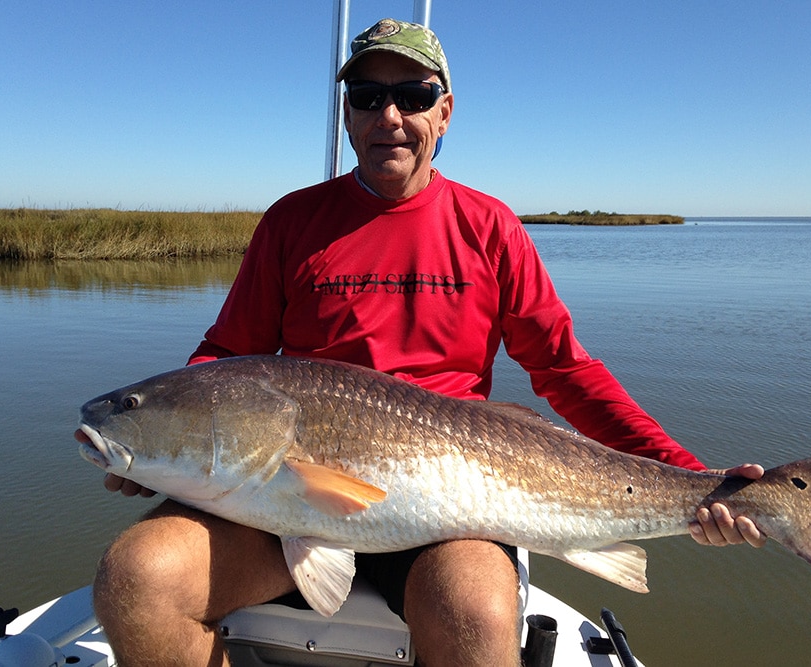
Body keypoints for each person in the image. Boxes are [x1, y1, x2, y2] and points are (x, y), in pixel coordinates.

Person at [92, 18, 766, 667]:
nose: (390, 116)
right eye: (368, 97)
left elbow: (565, 370)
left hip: (451, 510)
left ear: (445, 113)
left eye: (413, 97)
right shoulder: (292, 222)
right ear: (347, 114)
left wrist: (697, 476)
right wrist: (154, 440)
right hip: (273, 499)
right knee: (138, 578)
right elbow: (223, 359)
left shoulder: (490, 227)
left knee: (474, 612)